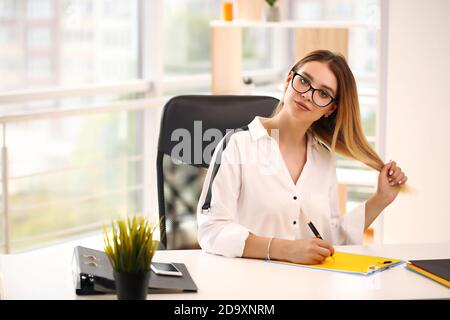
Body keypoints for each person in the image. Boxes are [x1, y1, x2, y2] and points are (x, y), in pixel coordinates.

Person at [196, 50, 407, 265]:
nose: (307, 94)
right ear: (289, 79)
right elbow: (211, 230)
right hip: (250, 283)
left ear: (330, 109)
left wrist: (381, 199)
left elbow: (329, 239)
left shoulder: (324, 158)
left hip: (310, 286)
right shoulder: (238, 145)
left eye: (323, 93)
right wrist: (283, 249)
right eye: (304, 81)